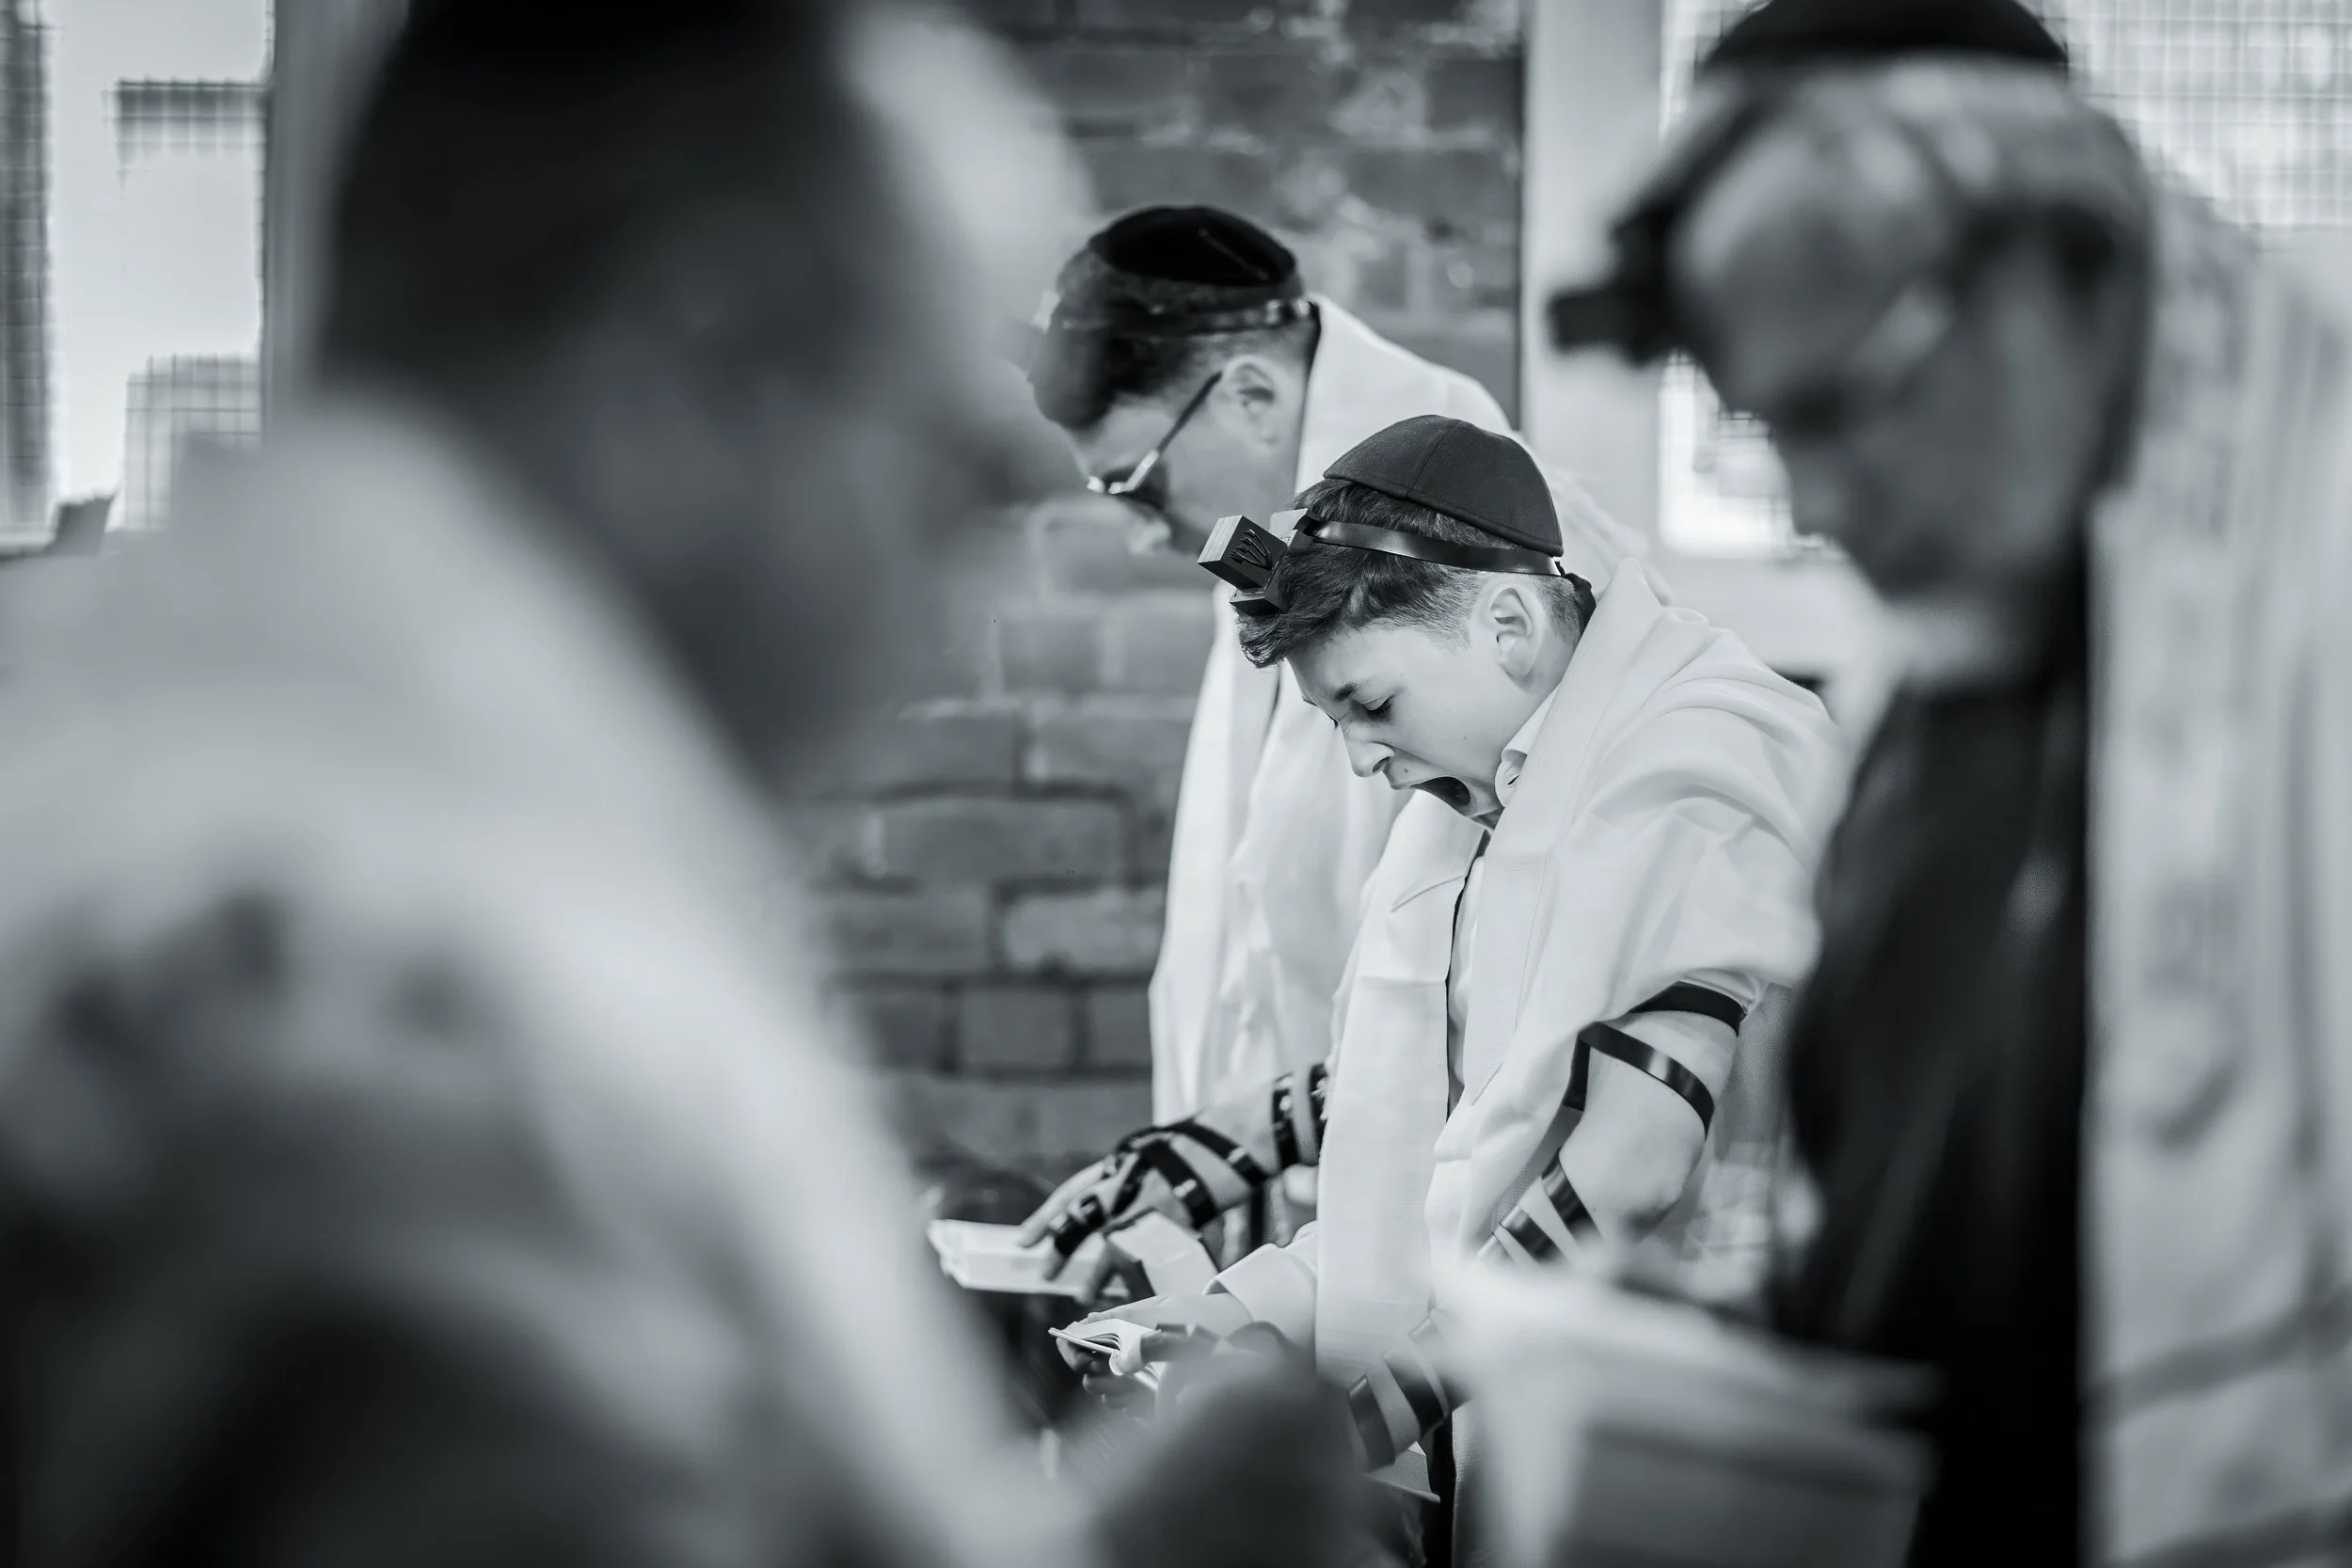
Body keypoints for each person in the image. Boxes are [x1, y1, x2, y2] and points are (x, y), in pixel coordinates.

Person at [0, 4, 1360, 1567]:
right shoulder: (394, 997)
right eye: (953, 479)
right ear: (702, 346)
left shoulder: (187, 745)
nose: (961, 609)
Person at [1549, 0, 2352, 1562]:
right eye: (1772, 432)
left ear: (2062, 263)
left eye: (1844, 407)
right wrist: (1747, 1343)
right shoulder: (1929, 679)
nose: (1817, 502)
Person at [1062, 416, 1842, 1563]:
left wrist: (1362, 1417)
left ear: (1509, 622)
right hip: (1493, 1435)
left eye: (1371, 707)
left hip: (1664, 1459)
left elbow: (1627, 1171)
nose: (1363, 761)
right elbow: (1434, 1151)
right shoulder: (1473, 805)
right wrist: (1237, 1307)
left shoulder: (1693, 769)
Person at [1025, 208, 1652, 1140]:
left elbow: (1515, 993)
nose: (1144, 528)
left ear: (1248, 394)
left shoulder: (1484, 556)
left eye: (1137, 481)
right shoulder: (1275, 531)